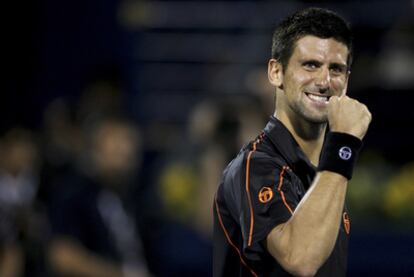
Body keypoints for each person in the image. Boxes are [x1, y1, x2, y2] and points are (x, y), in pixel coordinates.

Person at [213, 7, 372, 277]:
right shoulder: (256, 164)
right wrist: (343, 145)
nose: (324, 81)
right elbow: (301, 259)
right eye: (310, 65)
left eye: (336, 69)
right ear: (276, 72)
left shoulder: (323, 172)